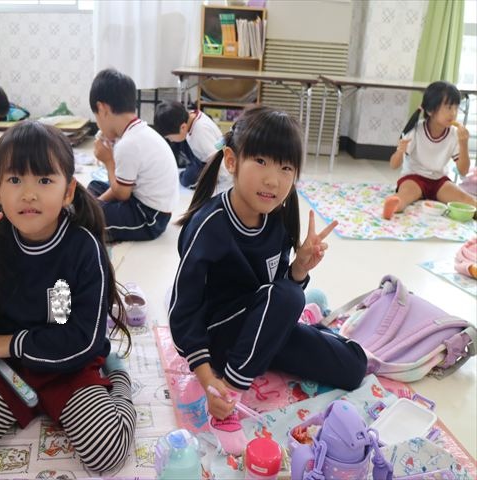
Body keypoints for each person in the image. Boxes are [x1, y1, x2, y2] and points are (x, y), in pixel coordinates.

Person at [0, 122, 136, 474]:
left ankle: (117, 373)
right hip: (6, 365)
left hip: (70, 362)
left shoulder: (83, 249)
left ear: (68, 191)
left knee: (106, 453)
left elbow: (83, 338)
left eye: (44, 180)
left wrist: (14, 343)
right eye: (15, 180)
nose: (29, 194)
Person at [168, 107, 367, 456]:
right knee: (290, 298)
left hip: (261, 331)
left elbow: (274, 288)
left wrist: (299, 269)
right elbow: (182, 312)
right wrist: (210, 381)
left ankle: (296, 329)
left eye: (286, 168)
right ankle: (232, 391)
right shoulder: (209, 226)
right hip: (220, 342)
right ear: (232, 161)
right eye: (261, 161)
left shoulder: (277, 217)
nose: (273, 180)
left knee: (354, 366)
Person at [86, 69, 180, 242]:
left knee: (88, 219)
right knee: (94, 187)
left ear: (102, 108)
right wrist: (97, 202)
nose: (98, 124)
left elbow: (122, 194)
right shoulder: (138, 132)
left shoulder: (128, 144)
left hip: (148, 218)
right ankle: (91, 207)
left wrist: (108, 161)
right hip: (145, 203)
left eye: (96, 117)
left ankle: (88, 213)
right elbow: (123, 183)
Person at [383, 81, 476, 220]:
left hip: (439, 181)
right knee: (403, 197)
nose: (453, 113)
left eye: (456, 108)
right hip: (414, 177)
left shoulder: (454, 134)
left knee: (470, 202)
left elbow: (463, 171)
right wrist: (400, 151)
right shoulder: (416, 130)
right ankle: (391, 207)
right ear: (430, 110)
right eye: (448, 107)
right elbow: (393, 165)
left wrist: (464, 144)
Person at [154, 100, 231, 192]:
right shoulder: (190, 116)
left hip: (211, 161)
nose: (171, 140)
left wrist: (221, 186)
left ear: (183, 127)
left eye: (169, 137)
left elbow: (219, 162)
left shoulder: (200, 135)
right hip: (207, 151)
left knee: (187, 180)